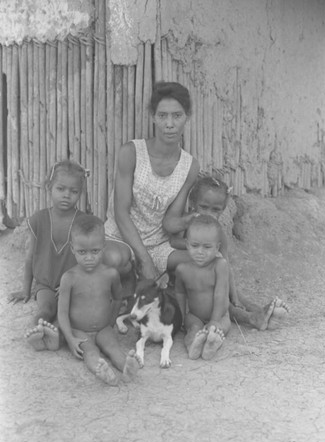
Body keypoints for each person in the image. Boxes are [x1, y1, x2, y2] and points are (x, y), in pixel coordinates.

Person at [102, 81, 200, 290]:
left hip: (159, 246)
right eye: (163, 115)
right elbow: (120, 213)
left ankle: (241, 311)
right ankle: (133, 283)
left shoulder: (189, 166)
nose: (169, 124)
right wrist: (144, 260)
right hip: (121, 240)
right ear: (153, 117)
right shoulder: (132, 152)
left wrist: (189, 221)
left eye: (177, 115)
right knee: (114, 260)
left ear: (187, 117)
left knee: (208, 262)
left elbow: (170, 220)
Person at [165, 174, 289, 330]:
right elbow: (173, 241)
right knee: (222, 302)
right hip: (189, 286)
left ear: (223, 210)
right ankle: (252, 318)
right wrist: (197, 246)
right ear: (192, 204)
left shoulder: (218, 233)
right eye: (204, 207)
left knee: (231, 295)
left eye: (215, 210)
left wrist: (235, 295)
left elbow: (226, 263)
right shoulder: (187, 223)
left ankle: (260, 311)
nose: (208, 214)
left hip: (213, 282)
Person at [8, 160, 87, 350]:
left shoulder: (83, 222)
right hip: (45, 283)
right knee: (46, 308)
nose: (66, 195)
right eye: (60, 189)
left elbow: (88, 259)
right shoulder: (39, 220)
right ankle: (37, 330)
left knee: (69, 313)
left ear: (80, 194)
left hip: (72, 286)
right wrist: (26, 290)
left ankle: (56, 337)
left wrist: (75, 281)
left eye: (73, 191)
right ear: (48, 187)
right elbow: (30, 257)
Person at [57, 214, 140, 385]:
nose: (89, 257)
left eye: (95, 251)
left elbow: (118, 298)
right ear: (72, 249)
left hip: (103, 328)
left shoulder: (110, 274)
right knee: (90, 351)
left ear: (103, 247)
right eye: (82, 252)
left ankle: (127, 367)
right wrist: (70, 338)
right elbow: (62, 313)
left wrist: (110, 322)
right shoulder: (69, 278)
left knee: (113, 347)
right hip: (79, 330)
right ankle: (101, 371)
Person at [175, 215, 231, 360]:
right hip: (195, 316)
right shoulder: (182, 269)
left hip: (220, 316)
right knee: (193, 329)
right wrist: (180, 317)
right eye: (195, 246)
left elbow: (220, 294)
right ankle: (192, 345)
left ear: (217, 247)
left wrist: (214, 320)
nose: (200, 251)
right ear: (187, 245)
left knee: (218, 330)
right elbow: (179, 293)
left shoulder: (220, 265)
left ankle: (211, 344)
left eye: (207, 247)